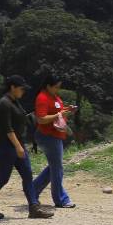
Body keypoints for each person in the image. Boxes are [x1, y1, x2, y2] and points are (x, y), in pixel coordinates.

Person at [0, 75, 55, 219]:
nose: (23, 91)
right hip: (6, 147)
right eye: (21, 89)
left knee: (27, 175)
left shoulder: (15, 102)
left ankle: (34, 208)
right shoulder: (4, 103)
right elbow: (8, 129)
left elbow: (19, 119)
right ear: (12, 87)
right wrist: (18, 147)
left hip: (17, 145)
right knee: (3, 178)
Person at [32, 72, 77, 209]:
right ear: (48, 86)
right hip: (47, 136)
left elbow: (58, 111)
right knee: (57, 168)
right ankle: (61, 199)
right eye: (56, 87)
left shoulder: (55, 97)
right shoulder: (42, 98)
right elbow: (41, 119)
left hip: (56, 136)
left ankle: (32, 190)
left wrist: (67, 110)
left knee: (54, 167)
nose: (58, 89)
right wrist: (59, 114)